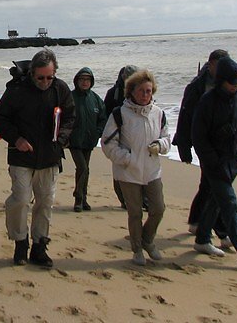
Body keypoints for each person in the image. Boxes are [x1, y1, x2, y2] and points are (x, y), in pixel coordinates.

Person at [0, 49, 75, 268]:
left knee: (45, 202)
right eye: (41, 78)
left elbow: (69, 116)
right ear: (31, 74)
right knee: (20, 200)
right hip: (22, 156)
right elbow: (0, 119)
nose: (45, 82)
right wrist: (16, 139)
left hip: (50, 157)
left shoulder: (61, 88)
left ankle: (40, 246)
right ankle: (20, 242)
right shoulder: (16, 90)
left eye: (49, 77)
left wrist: (62, 139)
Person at [191, 57, 237, 269]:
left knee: (215, 201)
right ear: (221, 80)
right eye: (233, 82)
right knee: (229, 203)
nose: (236, 86)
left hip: (233, 161)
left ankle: (202, 240)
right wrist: (212, 161)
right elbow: (198, 137)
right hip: (214, 164)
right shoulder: (207, 102)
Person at [101, 69, 170, 266]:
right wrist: (127, 159)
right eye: (141, 91)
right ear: (131, 91)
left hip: (152, 170)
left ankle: (148, 241)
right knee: (135, 212)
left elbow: (166, 138)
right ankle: (137, 249)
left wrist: (160, 146)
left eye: (149, 91)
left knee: (158, 208)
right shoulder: (119, 114)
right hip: (127, 172)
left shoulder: (158, 113)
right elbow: (107, 143)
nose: (145, 95)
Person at [174, 49, 231, 246]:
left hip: (222, 143)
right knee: (215, 184)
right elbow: (185, 116)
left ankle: (196, 221)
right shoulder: (197, 86)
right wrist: (183, 145)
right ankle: (223, 231)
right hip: (203, 142)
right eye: (220, 65)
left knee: (208, 183)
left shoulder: (226, 82)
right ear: (211, 64)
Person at [68, 67, 107, 212]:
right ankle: (78, 197)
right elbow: (62, 117)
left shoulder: (95, 99)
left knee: (85, 169)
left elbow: (103, 119)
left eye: (87, 80)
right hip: (74, 141)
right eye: (82, 79)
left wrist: (98, 133)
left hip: (90, 141)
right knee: (82, 167)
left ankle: (84, 198)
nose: (85, 82)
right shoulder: (70, 97)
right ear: (77, 81)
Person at [103, 65, 139, 209]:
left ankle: (142, 200)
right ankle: (124, 200)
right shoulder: (113, 93)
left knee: (139, 169)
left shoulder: (139, 92)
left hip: (137, 135)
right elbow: (105, 113)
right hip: (117, 136)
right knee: (119, 170)